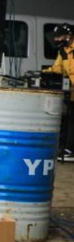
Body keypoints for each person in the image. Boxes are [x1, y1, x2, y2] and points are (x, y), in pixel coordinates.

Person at [43, 23, 74, 161]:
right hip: (73, 93)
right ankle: (68, 149)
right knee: (71, 120)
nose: (56, 40)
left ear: (68, 36)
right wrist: (42, 73)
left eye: (59, 36)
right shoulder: (63, 51)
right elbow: (58, 69)